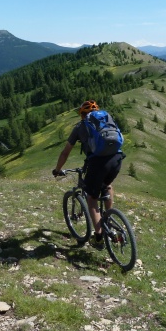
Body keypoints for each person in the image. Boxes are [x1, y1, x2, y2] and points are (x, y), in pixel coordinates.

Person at [53, 100, 124, 250]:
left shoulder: (80, 127)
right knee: (107, 185)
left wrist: (57, 169)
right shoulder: (106, 121)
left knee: (91, 198)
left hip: (98, 163)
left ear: (81, 115)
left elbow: (65, 152)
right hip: (117, 159)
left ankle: (98, 237)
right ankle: (109, 216)